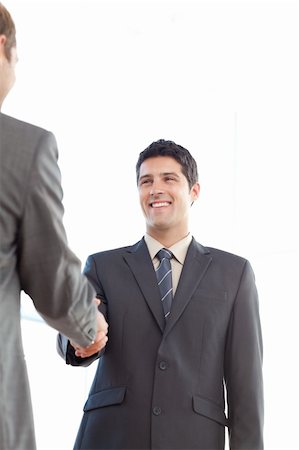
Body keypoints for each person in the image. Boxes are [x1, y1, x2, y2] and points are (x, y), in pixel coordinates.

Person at [58, 139, 264, 449]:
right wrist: (78, 338)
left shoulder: (234, 273)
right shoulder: (103, 266)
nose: (156, 189)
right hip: (111, 436)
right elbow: (80, 323)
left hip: (193, 438)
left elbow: (246, 387)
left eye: (169, 179)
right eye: (146, 181)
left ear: (194, 191)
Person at [0, 4, 108, 450]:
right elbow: (55, 282)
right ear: (1, 47)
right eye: (18, 62)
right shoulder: (23, 148)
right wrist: (89, 327)